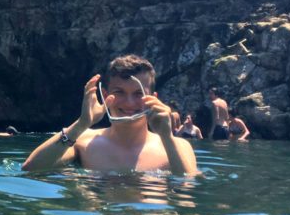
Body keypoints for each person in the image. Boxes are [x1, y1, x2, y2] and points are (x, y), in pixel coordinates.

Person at [21, 54, 198, 174]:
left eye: (138, 94)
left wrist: (166, 137)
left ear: (153, 98)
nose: (129, 103)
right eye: (119, 92)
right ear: (105, 96)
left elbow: (188, 191)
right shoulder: (84, 142)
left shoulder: (176, 145)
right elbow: (32, 169)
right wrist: (81, 124)